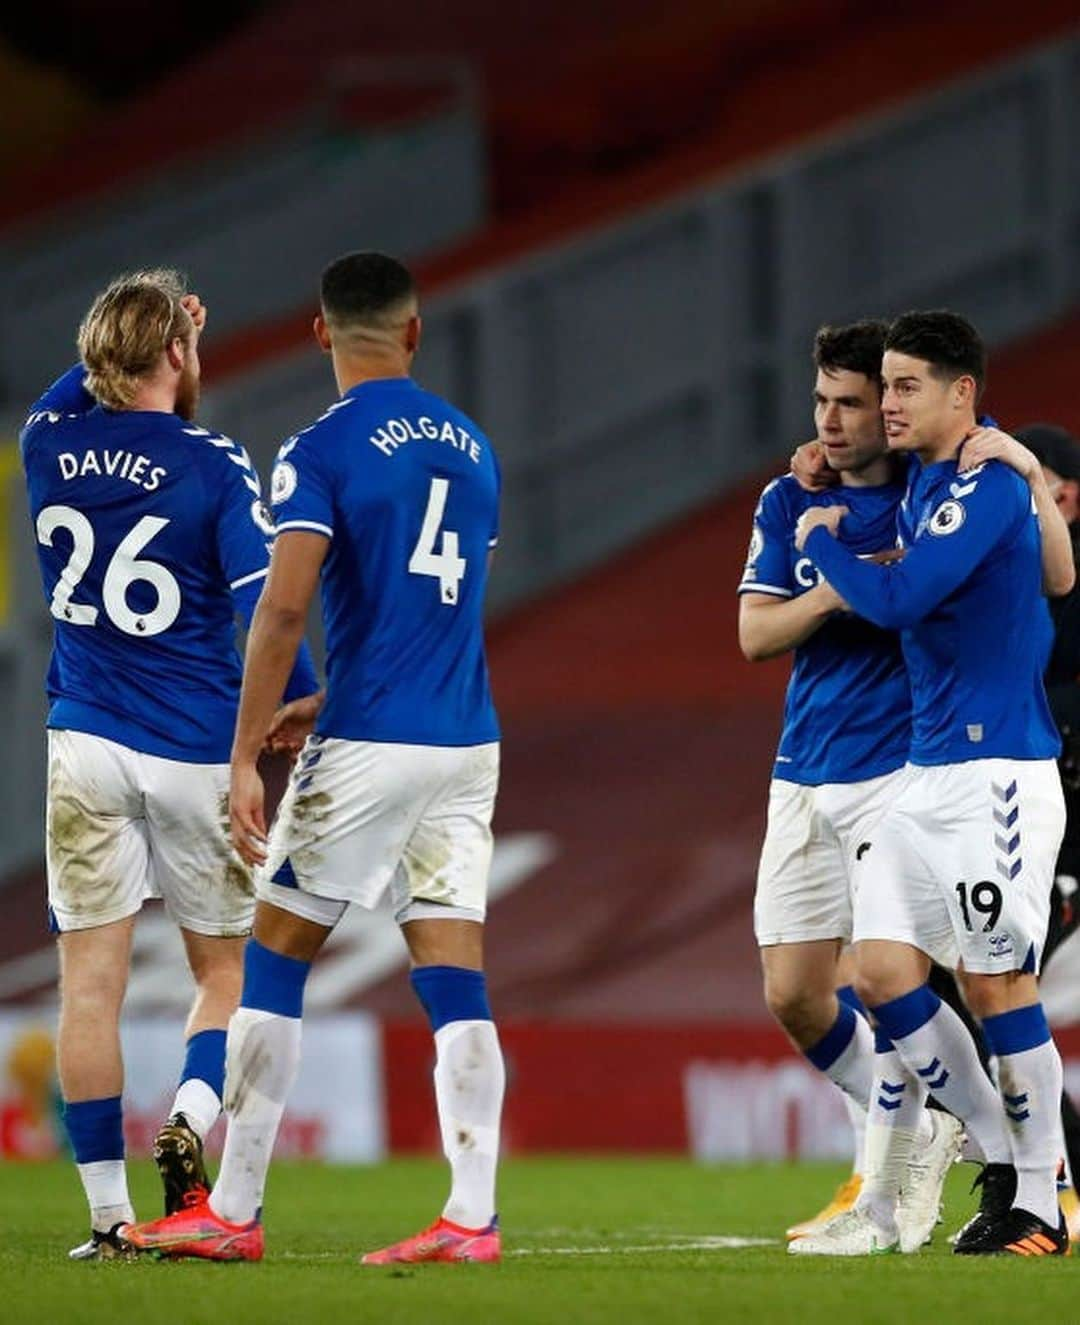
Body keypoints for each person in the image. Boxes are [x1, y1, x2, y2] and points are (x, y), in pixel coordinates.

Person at [125, 251, 505, 1265]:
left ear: (321, 331)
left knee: (273, 962)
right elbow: (440, 609)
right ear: (415, 333)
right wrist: (329, 697)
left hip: (372, 742)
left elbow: (284, 606)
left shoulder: (321, 449)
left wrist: (247, 746)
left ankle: (233, 1209)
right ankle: (472, 1215)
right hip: (466, 741)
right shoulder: (473, 448)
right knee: (455, 977)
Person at [19, 269, 318, 1259]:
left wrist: (138, 330)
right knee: (224, 965)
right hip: (193, 745)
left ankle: (107, 1220)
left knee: (89, 988)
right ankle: (191, 1111)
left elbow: (68, 393)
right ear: (178, 355)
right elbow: (262, 602)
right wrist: (299, 694)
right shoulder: (209, 462)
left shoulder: (45, 443)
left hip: (84, 740)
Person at [795, 310, 1074, 1256]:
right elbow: (1063, 572)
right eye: (887, 385)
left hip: (996, 772)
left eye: (908, 385)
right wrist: (821, 462)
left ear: (965, 393)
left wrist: (823, 540)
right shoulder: (933, 480)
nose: (889, 402)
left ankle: (1043, 1197)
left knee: (998, 980)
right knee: (879, 973)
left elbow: (901, 599)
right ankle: (1000, 1154)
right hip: (926, 770)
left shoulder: (986, 483)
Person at [739, 319, 962, 1254]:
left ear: (893, 405)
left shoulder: (931, 497)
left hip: (895, 771)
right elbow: (755, 634)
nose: (830, 421)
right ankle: (928, 1116)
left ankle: (885, 1185)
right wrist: (836, 584)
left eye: (852, 403)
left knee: (882, 977)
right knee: (794, 992)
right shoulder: (791, 498)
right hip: (802, 770)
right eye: (821, 401)